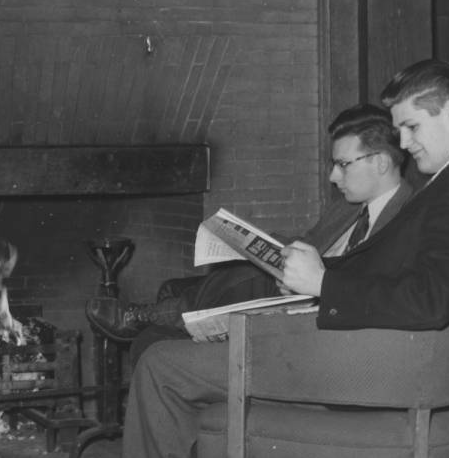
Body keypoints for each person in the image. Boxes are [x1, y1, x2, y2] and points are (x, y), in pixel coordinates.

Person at [109, 59, 449, 458]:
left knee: (162, 367)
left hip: (370, 369)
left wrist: (322, 283)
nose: (402, 142)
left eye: (411, 125)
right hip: (376, 357)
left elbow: (430, 298)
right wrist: (315, 274)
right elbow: (405, 278)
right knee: (195, 371)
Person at [87, 103, 414, 364]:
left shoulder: (407, 218)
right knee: (166, 313)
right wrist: (260, 241)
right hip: (294, 295)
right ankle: (161, 316)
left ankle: (146, 315)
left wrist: (312, 280)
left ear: (381, 163)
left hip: (320, 321)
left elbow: (365, 286)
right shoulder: (348, 206)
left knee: (249, 277)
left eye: (343, 164)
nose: (332, 175)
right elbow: (312, 243)